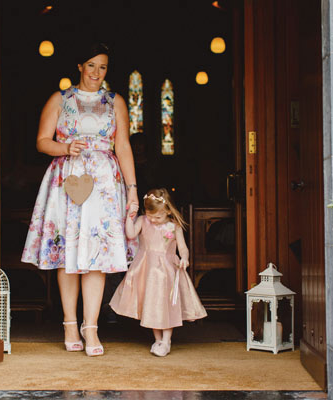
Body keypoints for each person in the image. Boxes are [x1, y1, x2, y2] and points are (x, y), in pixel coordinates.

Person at [21, 43, 138, 357]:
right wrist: (65, 148)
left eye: (102, 67)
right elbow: (42, 141)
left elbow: (123, 146)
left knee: (97, 256)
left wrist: (133, 189)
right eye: (91, 66)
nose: (97, 73)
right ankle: (70, 324)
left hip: (104, 183)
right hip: (67, 179)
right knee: (68, 254)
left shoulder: (116, 102)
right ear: (79, 66)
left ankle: (91, 327)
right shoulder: (60, 99)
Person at [110, 188, 207, 357]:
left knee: (165, 304)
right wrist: (130, 218)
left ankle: (167, 340)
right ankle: (157, 339)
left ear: (168, 211)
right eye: (150, 215)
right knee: (152, 304)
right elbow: (131, 234)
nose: (153, 220)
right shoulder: (142, 220)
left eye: (158, 217)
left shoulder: (174, 226)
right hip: (146, 269)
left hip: (166, 271)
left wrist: (184, 258)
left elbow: (183, 249)